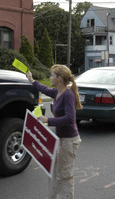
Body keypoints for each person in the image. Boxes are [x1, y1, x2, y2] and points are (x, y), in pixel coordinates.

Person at [26, 64, 82, 199]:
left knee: (65, 176)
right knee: (54, 172)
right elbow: (44, 89)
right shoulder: (57, 92)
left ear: (60, 79)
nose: (50, 77)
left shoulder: (68, 95)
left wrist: (47, 120)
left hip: (69, 141)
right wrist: (32, 81)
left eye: (52, 75)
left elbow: (70, 119)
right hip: (60, 140)